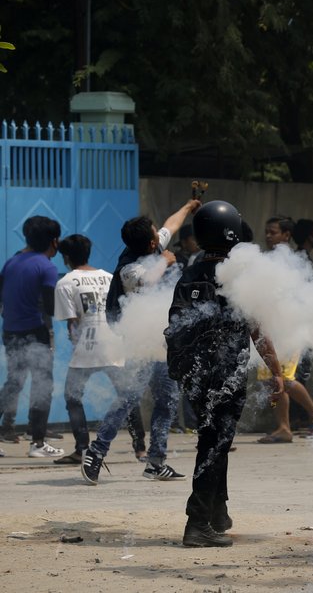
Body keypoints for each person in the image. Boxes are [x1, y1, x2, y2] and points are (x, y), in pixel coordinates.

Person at [164, 201, 285, 547]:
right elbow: (257, 329)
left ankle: (218, 512)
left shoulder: (188, 273)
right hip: (225, 376)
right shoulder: (237, 276)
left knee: (215, 440)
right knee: (214, 445)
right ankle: (197, 523)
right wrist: (276, 371)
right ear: (232, 233)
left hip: (194, 375)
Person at [81, 199, 200, 484]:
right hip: (139, 343)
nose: (160, 233)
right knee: (129, 398)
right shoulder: (129, 269)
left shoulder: (153, 245)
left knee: (168, 400)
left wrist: (188, 206)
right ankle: (96, 453)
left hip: (163, 341)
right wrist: (166, 261)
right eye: (155, 233)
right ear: (149, 245)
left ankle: (156, 462)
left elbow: (172, 224)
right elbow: (148, 281)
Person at [50, 235, 126, 465]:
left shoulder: (66, 282)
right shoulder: (110, 277)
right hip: (115, 344)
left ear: (65, 258)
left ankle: (82, 448)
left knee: (72, 397)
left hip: (88, 346)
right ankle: (141, 448)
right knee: (126, 395)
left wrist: (76, 346)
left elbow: (72, 323)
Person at [255, 215, 313, 443]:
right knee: (271, 381)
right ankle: (284, 428)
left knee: (283, 378)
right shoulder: (270, 259)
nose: (268, 236)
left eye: (273, 232)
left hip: (289, 328)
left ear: (286, 235)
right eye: (267, 232)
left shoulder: (294, 260)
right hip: (273, 328)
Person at [0, 216, 65, 458]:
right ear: (53, 241)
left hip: (10, 332)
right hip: (35, 333)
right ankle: (37, 443)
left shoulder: (11, 262)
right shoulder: (46, 266)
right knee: (42, 385)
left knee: (13, 383)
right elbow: (50, 308)